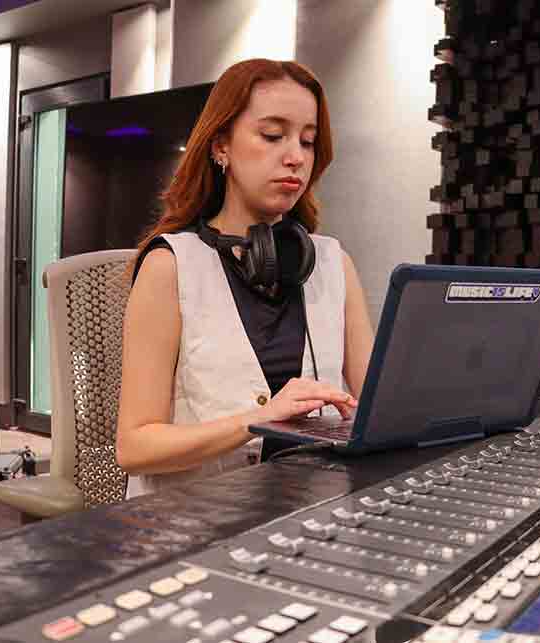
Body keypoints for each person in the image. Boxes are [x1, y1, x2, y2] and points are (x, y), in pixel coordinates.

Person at [116, 59, 374, 498]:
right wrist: (258, 419)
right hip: (195, 519)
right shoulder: (169, 267)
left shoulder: (334, 263)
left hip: (308, 508)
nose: (295, 157)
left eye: (307, 141)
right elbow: (134, 447)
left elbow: (375, 409)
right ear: (221, 146)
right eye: (272, 136)